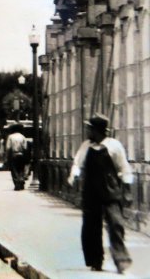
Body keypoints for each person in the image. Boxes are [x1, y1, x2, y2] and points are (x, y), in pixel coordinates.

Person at [68, 114, 133, 274]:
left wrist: (127, 191)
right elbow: (77, 163)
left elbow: (124, 168)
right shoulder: (85, 146)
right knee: (91, 227)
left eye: (89, 128)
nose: (87, 131)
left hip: (110, 191)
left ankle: (121, 260)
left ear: (97, 130)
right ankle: (95, 260)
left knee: (116, 225)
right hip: (91, 193)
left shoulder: (114, 146)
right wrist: (74, 177)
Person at [5, 123, 29, 190]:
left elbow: (8, 148)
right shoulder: (22, 137)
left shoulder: (10, 137)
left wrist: (7, 157)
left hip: (14, 155)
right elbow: (25, 148)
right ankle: (21, 181)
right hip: (21, 155)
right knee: (21, 169)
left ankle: (17, 183)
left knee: (14, 170)